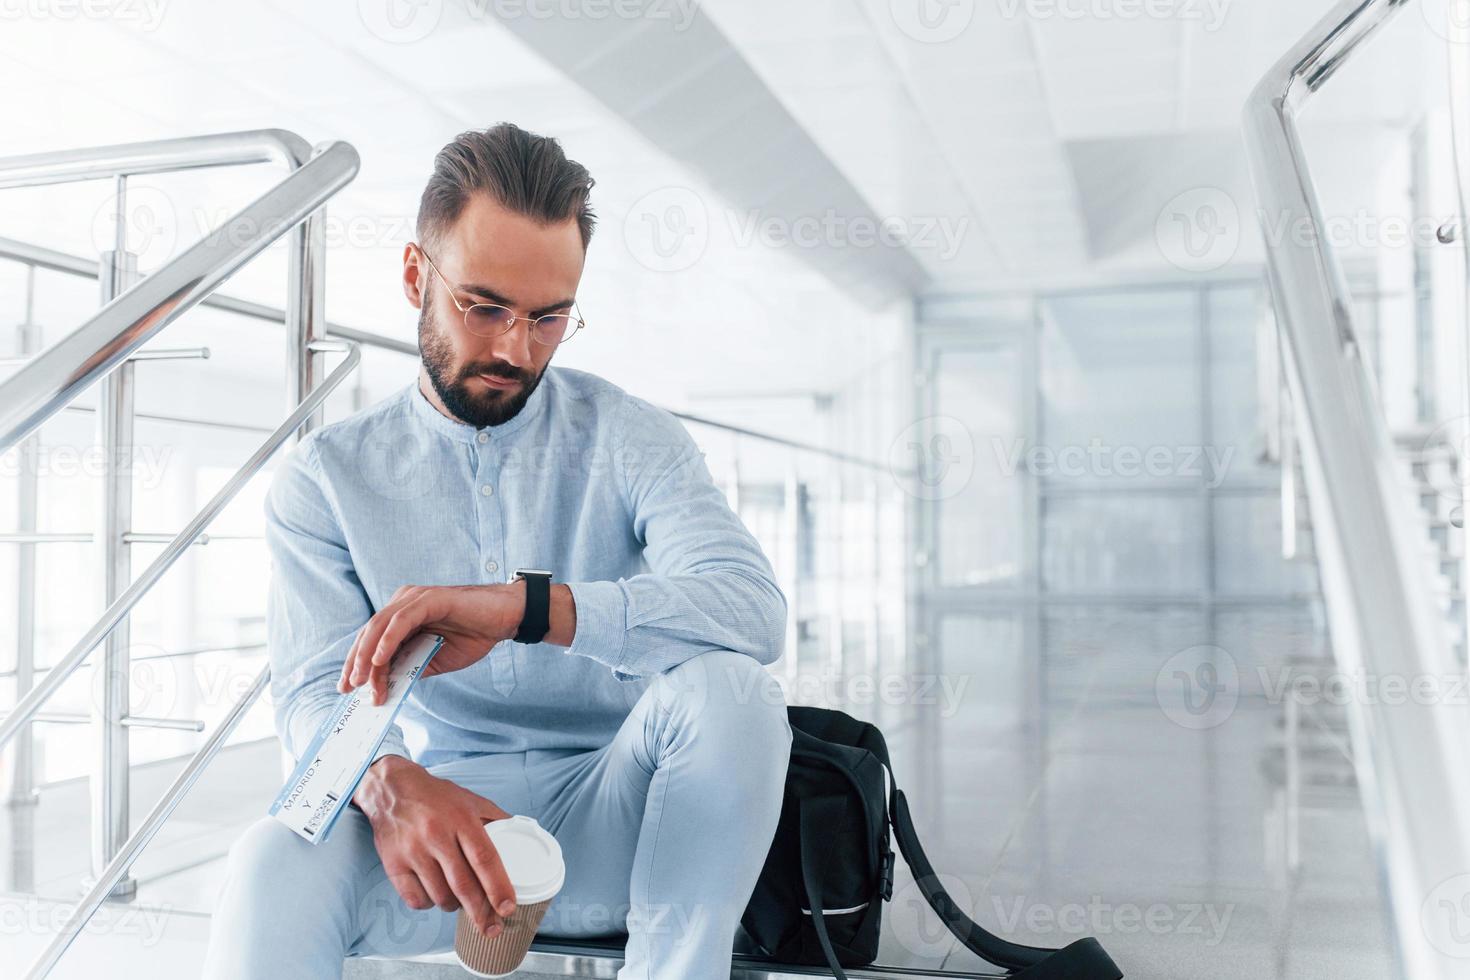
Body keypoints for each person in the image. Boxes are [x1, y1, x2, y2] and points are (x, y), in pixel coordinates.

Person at [203, 123, 792, 980]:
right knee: (270, 855)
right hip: (443, 834)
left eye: (549, 318)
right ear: (416, 276)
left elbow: (751, 608)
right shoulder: (325, 479)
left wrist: (530, 610)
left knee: (733, 686)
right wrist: (387, 780)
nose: (516, 351)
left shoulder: (632, 437)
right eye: (484, 307)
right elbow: (306, 693)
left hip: (621, 815)